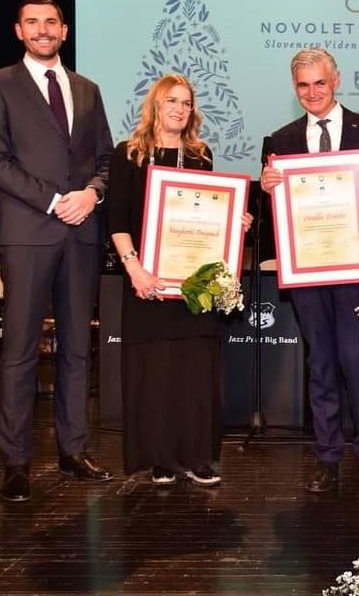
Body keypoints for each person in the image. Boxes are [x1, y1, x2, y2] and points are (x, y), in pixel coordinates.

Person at [0, 0, 115, 502]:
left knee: (77, 348)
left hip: (81, 234)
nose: (42, 30)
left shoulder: (87, 89)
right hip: (28, 233)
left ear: (64, 30)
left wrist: (92, 193)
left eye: (51, 22)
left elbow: (105, 159)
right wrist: (55, 201)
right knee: (19, 351)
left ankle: (73, 451)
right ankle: (15, 462)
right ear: (18, 31)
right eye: (32, 22)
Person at [259, 48, 359, 493]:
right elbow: (277, 214)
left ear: (336, 80)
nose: (312, 92)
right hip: (308, 270)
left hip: (357, 267)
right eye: (303, 85)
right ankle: (327, 456)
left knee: (357, 360)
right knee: (320, 362)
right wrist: (266, 188)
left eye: (320, 82)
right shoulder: (280, 140)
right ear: (294, 87)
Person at [107, 74, 252, 487]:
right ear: (155, 104)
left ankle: (197, 457)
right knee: (155, 372)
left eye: (187, 103)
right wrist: (135, 269)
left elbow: (207, 217)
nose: (180, 109)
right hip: (148, 281)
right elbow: (117, 220)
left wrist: (234, 221)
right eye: (172, 101)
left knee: (194, 371)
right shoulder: (129, 154)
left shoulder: (201, 156)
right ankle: (160, 459)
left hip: (193, 286)